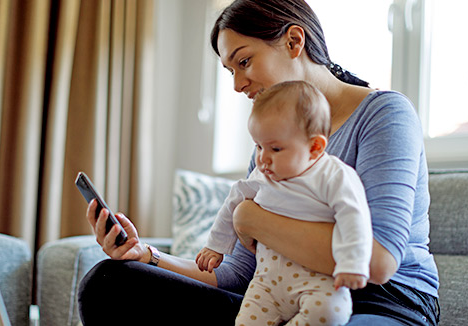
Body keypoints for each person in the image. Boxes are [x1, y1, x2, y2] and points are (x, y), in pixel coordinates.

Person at [78, 0, 440, 325]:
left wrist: (251, 218)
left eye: (244, 61)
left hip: (378, 301)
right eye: (230, 70)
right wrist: (148, 256)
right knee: (110, 282)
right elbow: (236, 274)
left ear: (294, 42)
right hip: (281, 296)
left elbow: (377, 262)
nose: (237, 85)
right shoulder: (272, 148)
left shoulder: (384, 115)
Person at [196, 80, 372, 325]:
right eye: (258, 146)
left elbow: (354, 217)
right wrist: (215, 246)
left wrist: (353, 262)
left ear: (315, 147)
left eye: (276, 149)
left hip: (317, 283)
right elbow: (233, 200)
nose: (263, 159)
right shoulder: (262, 175)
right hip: (266, 284)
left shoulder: (332, 175)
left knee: (332, 311)